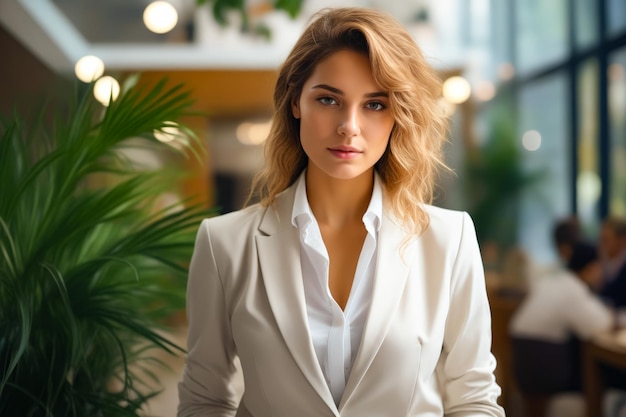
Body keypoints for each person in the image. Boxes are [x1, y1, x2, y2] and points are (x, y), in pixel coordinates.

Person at [177, 7, 504, 417]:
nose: (349, 126)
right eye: (328, 99)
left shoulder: (449, 239)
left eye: (375, 105)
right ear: (296, 101)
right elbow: (204, 399)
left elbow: (473, 399)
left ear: (397, 115)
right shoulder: (224, 243)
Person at [509, 241, 614, 417]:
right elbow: (597, 325)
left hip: (521, 360)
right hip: (544, 363)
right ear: (592, 268)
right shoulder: (574, 289)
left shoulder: (554, 281)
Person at [598, 216, 626, 309]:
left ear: (622, 241)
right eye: (601, 239)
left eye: (606, 240)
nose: (601, 244)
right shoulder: (595, 260)